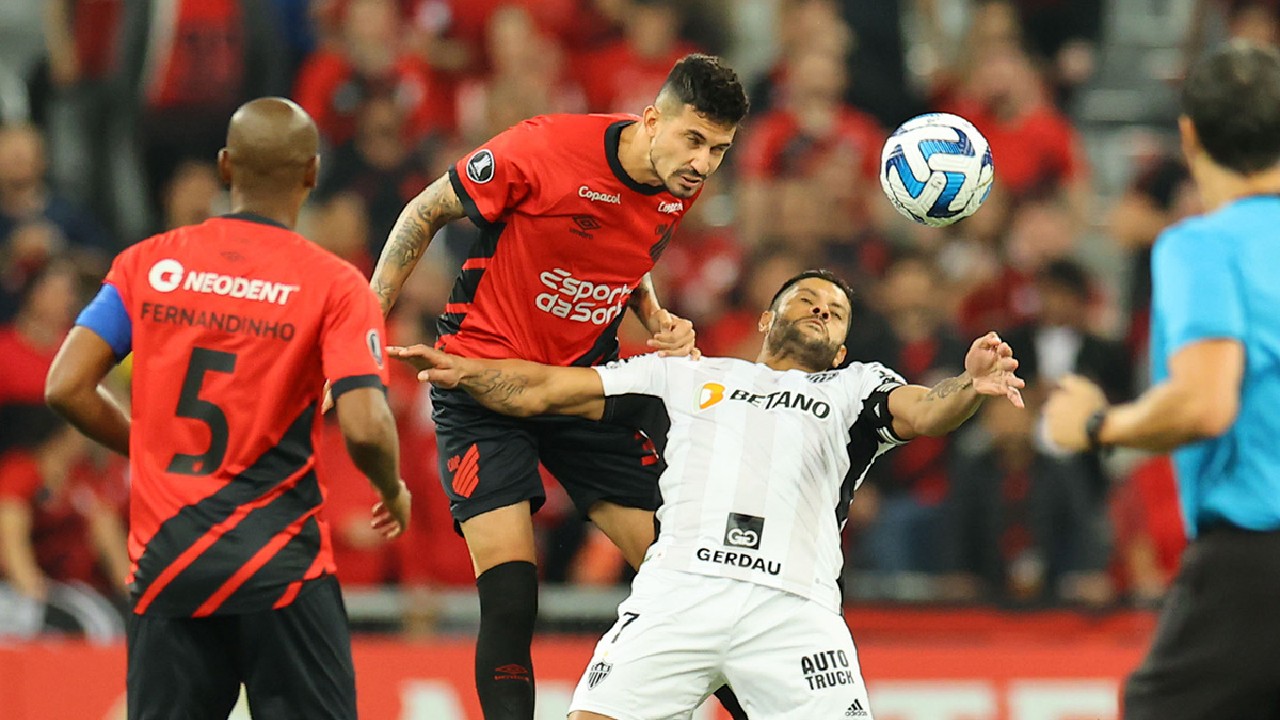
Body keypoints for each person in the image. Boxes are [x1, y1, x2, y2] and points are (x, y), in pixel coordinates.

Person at [389, 270, 1026, 719]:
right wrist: (468, 371)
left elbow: (924, 413)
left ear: (843, 348)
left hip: (792, 610)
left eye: (835, 312)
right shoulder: (686, 376)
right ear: (767, 318)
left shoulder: (855, 390)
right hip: (679, 594)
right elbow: (550, 391)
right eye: (806, 299)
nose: (821, 310)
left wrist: (969, 387)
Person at [364, 52, 750, 718]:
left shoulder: (677, 183)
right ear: (652, 118)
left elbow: (625, 251)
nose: (704, 163)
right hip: (482, 381)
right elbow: (422, 212)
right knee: (514, 594)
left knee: (683, 582)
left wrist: (652, 313)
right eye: (694, 140)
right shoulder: (544, 147)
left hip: (581, 387)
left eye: (719, 149)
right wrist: (361, 330)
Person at [44, 97, 411, 720]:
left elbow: (65, 386)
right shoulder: (335, 284)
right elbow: (367, 425)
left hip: (168, 564)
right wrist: (391, 487)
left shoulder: (148, 264)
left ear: (223, 167)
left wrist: (146, 441)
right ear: (311, 173)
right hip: (280, 568)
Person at [1044, 42, 1280, 720]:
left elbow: (1207, 404)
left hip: (1257, 562)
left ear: (1190, 135)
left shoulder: (1201, 245)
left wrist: (1098, 425)